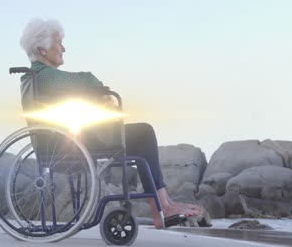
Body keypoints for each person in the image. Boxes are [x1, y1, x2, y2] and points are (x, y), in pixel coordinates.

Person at [18, 18, 202, 229]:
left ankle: (164, 204)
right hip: (64, 147)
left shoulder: (39, 78)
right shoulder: (45, 76)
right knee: (143, 133)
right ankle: (161, 207)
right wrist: (103, 93)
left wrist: (99, 100)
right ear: (42, 49)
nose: (64, 48)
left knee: (138, 137)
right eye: (59, 42)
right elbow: (86, 79)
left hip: (63, 142)